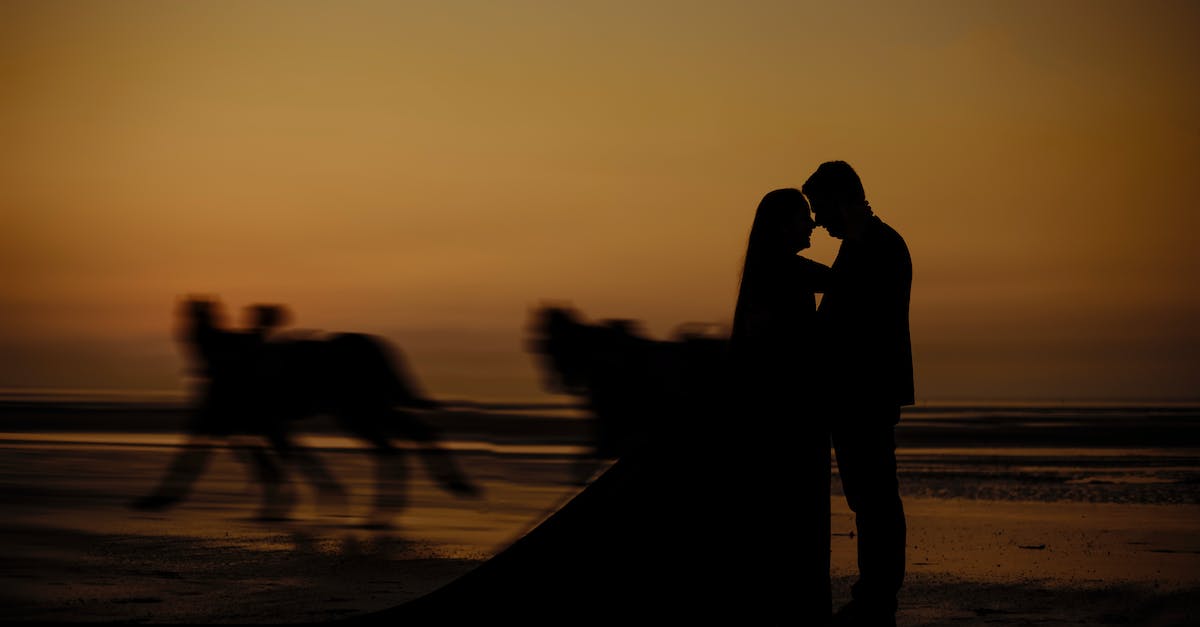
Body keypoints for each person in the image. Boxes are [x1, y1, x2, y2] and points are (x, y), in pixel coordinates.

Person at [803, 161, 913, 626]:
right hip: (858, 395)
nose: (816, 220)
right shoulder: (864, 245)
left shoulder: (879, 245)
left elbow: (865, 325)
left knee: (875, 498)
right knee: (869, 497)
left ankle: (877, 596)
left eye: (820, 207)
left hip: (865, 394)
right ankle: (875, 593)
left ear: (842, 200)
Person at [729, 188, 832, 624]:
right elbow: (843, 281)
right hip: (787, 418)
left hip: (776, 415)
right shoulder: (783, 271)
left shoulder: (767, 270)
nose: (811, 224)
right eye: (804, 217)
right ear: (782, 224)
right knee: (794, 517)